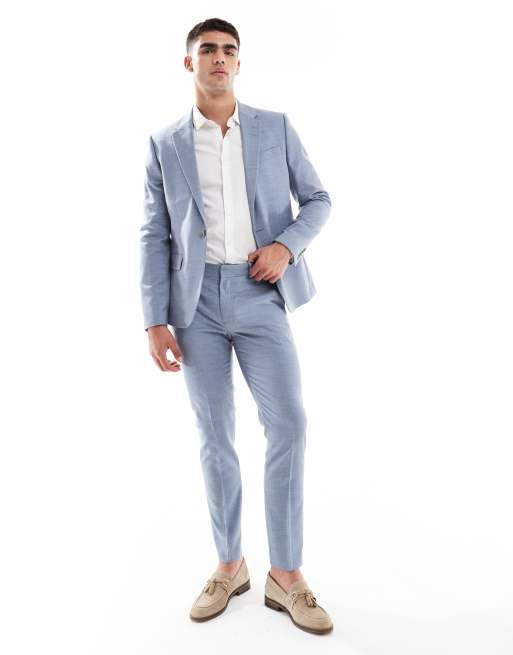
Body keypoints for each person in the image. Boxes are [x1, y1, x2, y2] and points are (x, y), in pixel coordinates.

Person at [139, 17, 333, 635]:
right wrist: (154, 319)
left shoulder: (275, 128)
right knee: (215, 435)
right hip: (193, 306)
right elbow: (155, 234)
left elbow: (318, 200)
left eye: (229, 50)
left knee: (289, 424)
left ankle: (287, 574)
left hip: (259, 294)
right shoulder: (164, 143)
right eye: (208, 50)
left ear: (239, 63)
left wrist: (285, 247)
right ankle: (229, 565)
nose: (219, 58)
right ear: (189, 62)